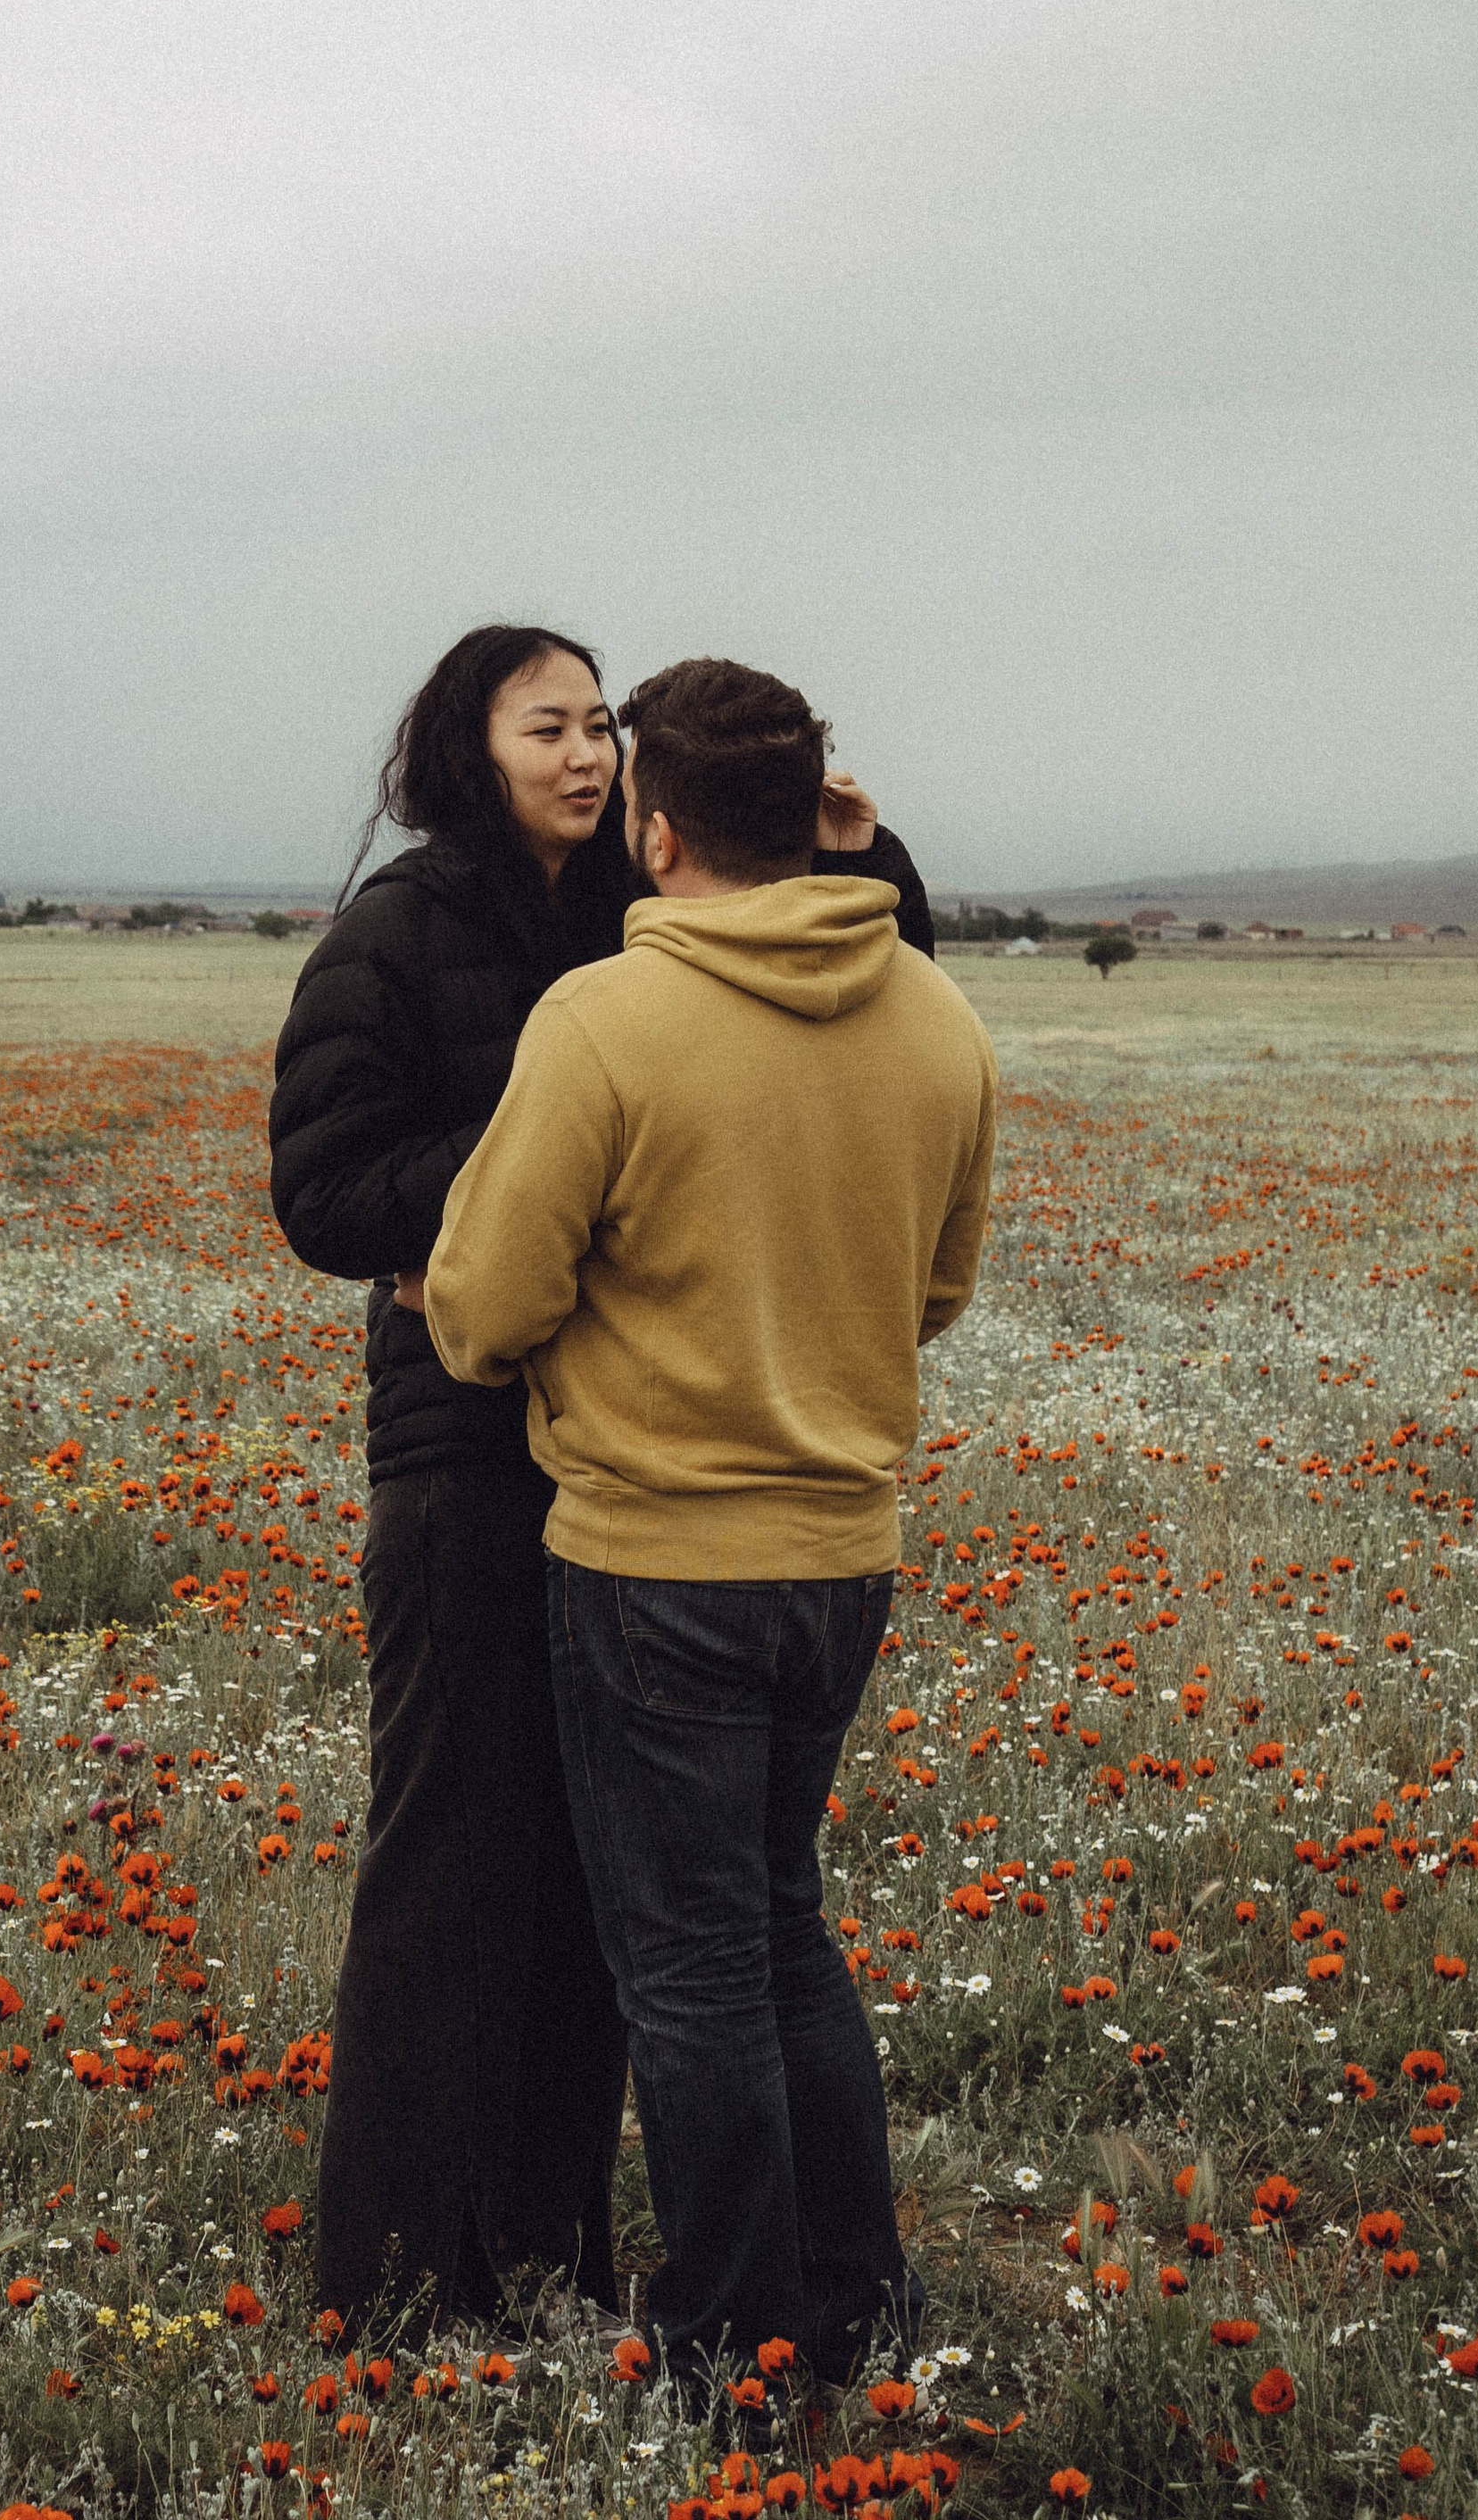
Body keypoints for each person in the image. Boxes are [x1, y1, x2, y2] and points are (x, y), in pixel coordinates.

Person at [268, 624, 934, 2331]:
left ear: (654, 806)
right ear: (462, 750)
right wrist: (525, 1213)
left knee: (597, 1902)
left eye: (598, 729)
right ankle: (403, 2279)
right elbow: (326, 1193)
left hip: (633, 1470)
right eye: (543, 727)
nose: (582, 755)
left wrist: (864, 855)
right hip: (466, 1447)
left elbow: (839, 1015)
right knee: (448, 1869)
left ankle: (546, 2251)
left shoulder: (631, 933)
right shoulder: (397, 934)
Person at [423, 656, 996, 2388]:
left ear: (656, 831)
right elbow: (939, 1292)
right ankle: (854, 2293)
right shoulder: (938, 1022)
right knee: (777, 1925)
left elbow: (478, 1311)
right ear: (808, 812)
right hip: (841, 1555)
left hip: (653, 1561)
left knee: (681, 1973)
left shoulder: (606, 1022)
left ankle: (733, 2343)